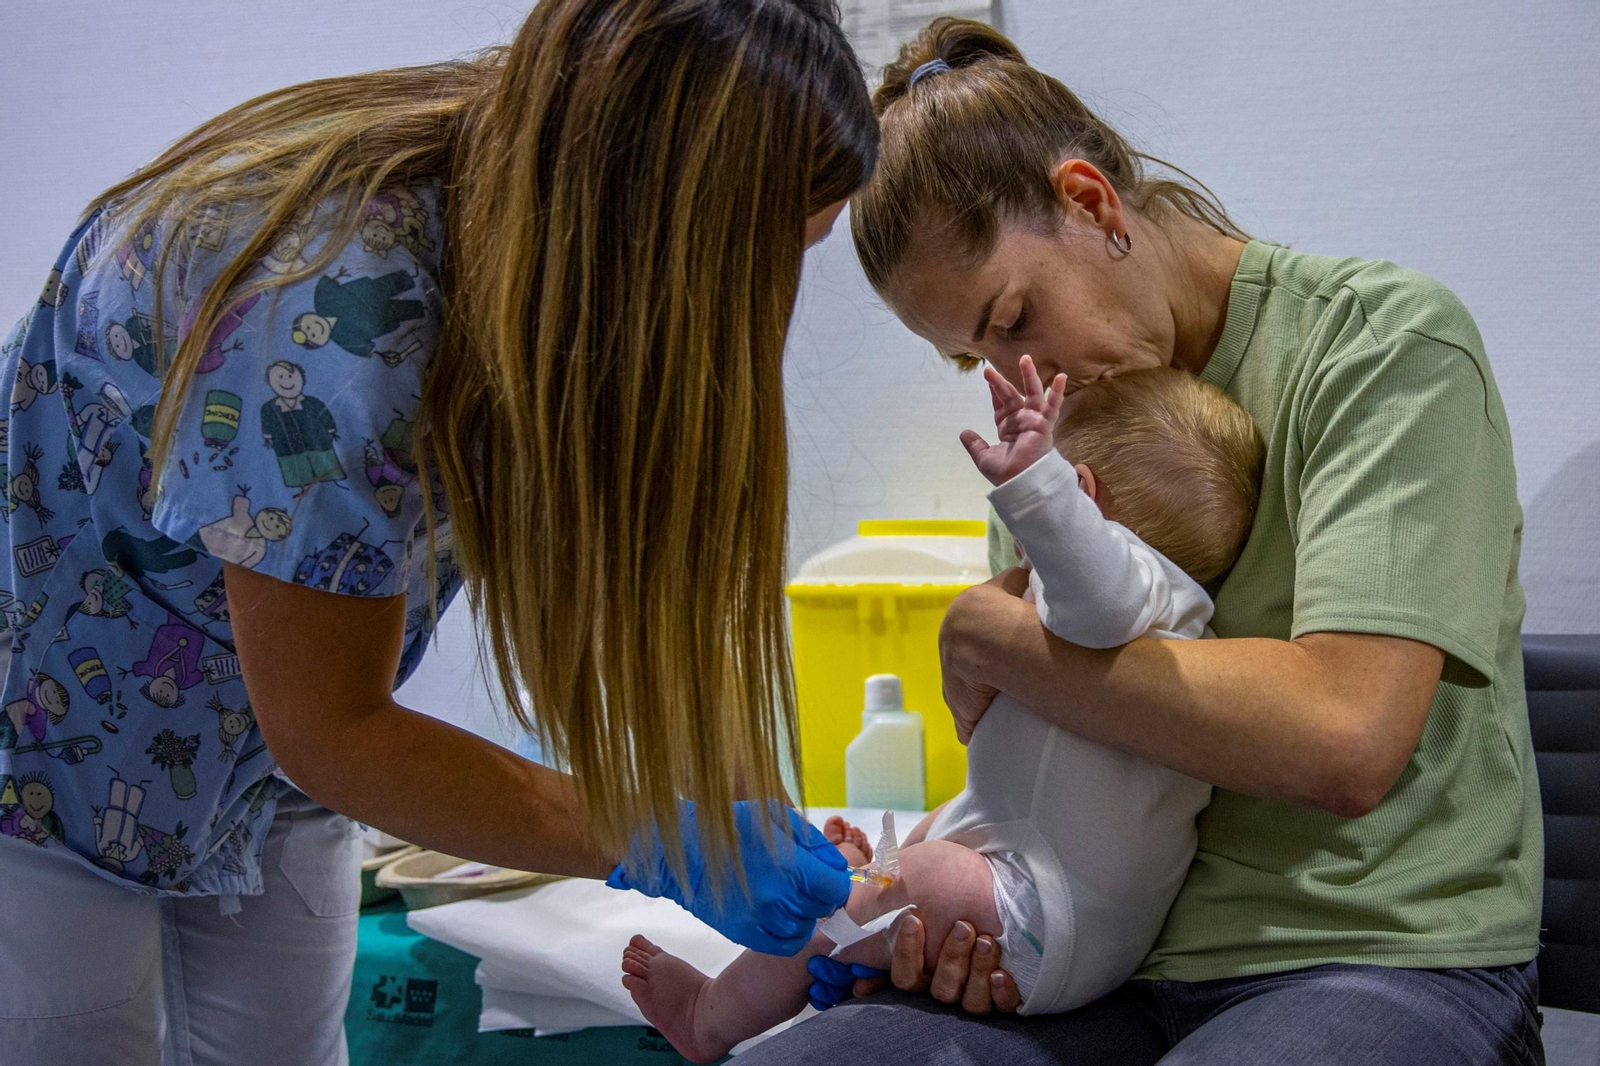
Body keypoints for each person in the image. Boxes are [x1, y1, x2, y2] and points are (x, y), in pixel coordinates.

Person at [0, 3, 875, 1063]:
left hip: (253, 744)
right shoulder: (335, 313)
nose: (766, 312)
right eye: (771, 257)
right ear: (659, 223)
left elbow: (639, 579)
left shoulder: (537, 232)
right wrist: (655, 835)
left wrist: (733, 803)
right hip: (50, 736)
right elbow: (332, 730)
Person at [762, 17, 1544, 1066]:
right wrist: (963, 907)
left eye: (1013, 317)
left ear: (1089, 201)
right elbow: (1050, 726)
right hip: (1106, 956)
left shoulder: (1383, 346)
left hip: (1375, 951)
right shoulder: (1072, 437)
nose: (1017, 377)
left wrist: (998, 639)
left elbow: (1344, 738)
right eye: (970, 360)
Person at [621, 362, 1264, 1063]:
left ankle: (711, 1015)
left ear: (1080, 494)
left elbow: (1098, 587)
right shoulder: (1168, 622)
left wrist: (1034, 483)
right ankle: (865, 880)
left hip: (1045, 909)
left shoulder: (1137, 592)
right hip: (1061, 904)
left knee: (891, 884)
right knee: (918, 852)